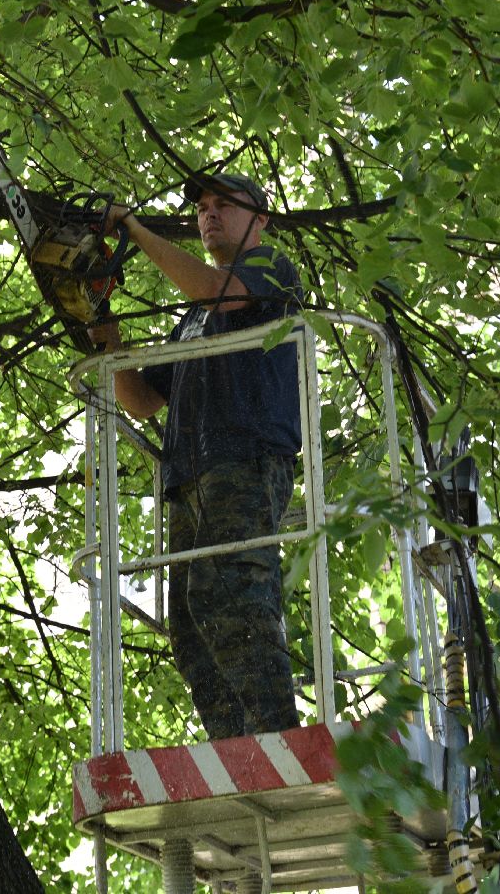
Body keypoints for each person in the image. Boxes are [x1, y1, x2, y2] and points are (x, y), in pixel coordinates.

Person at [88, 172, 303, 739]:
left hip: (245, 459)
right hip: (189, 476)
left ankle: (277, 737)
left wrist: (134, 228)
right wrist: (101, 323)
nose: (209, 214)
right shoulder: (193, 321)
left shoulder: (270, 270)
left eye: (223, 205)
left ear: (260, 219)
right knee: (188, 621)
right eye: (203, 207)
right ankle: (236, 749)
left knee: (230, 592)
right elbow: (140, 400)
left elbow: (218, 290)